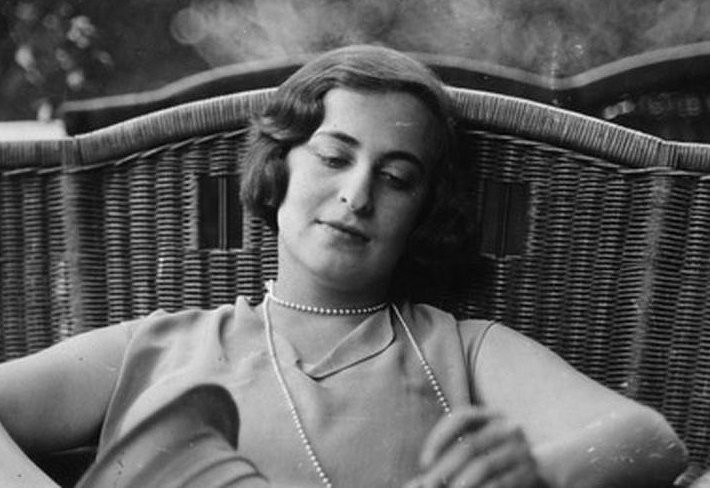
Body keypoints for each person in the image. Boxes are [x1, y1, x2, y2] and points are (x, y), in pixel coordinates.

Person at [0, 44, 687, 488]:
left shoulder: (461, 349)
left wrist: (537, 473)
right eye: (334, 157)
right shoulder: (155, 347)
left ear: (422, 213)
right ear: (279, 167)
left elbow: (652, 441)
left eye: (397, 178)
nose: (357, 194)